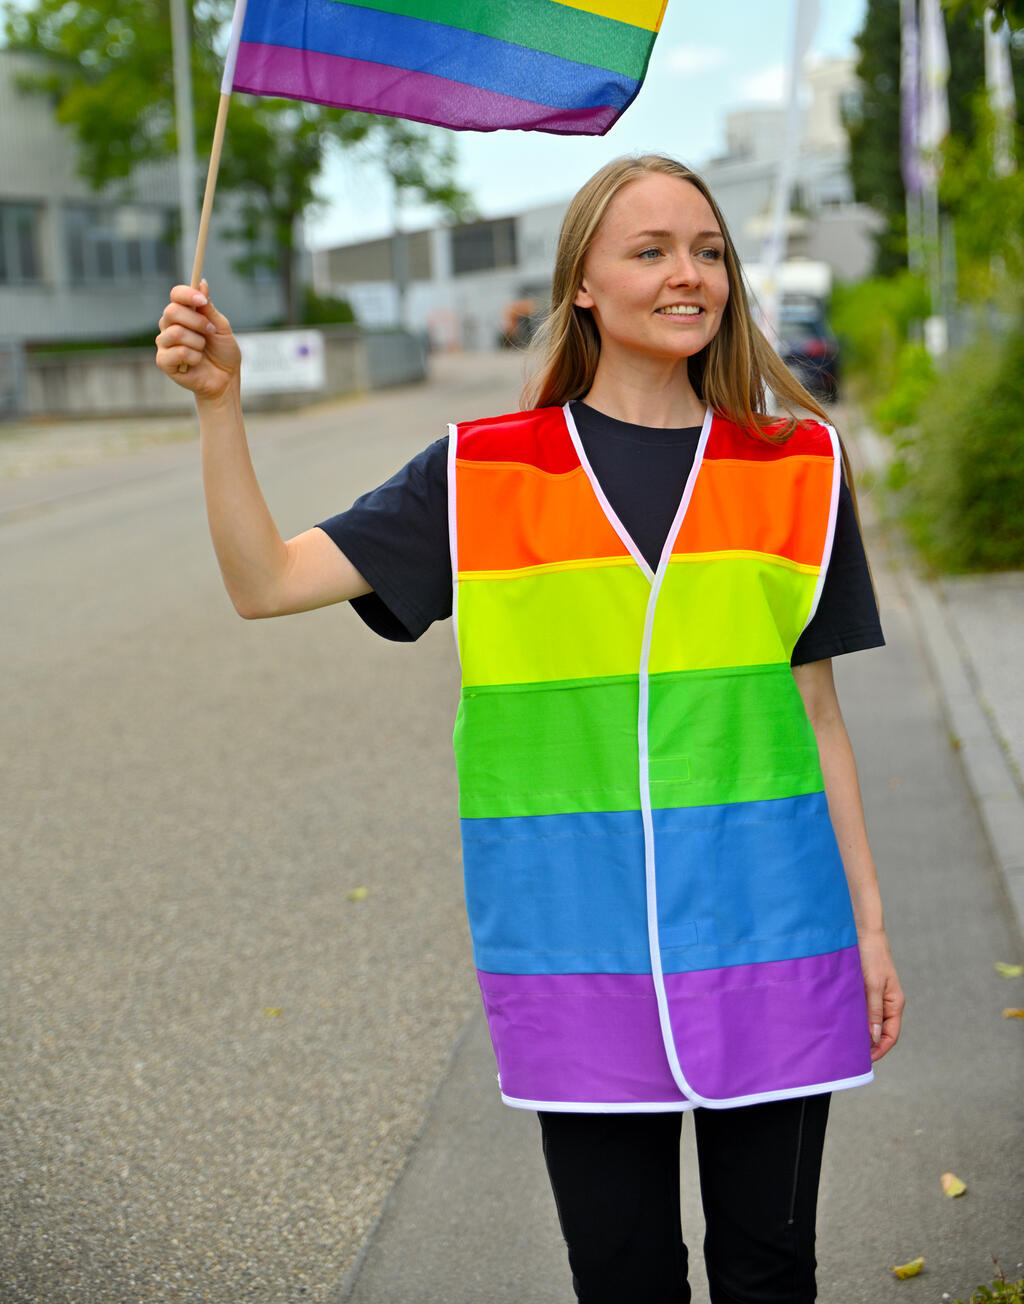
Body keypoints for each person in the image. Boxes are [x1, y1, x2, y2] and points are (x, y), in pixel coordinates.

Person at [156, 153, 905, 1304]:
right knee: (621, 1272)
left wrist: (868, 923)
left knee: (771, 1269)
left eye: (706, 250)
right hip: (575, 946)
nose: (686, 274)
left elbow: (817, 712)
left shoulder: (799, 465)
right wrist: (221, 408)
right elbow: (263, 580)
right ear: (584, 287)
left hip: (774, 928)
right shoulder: (478, 474)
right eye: (649, 250)